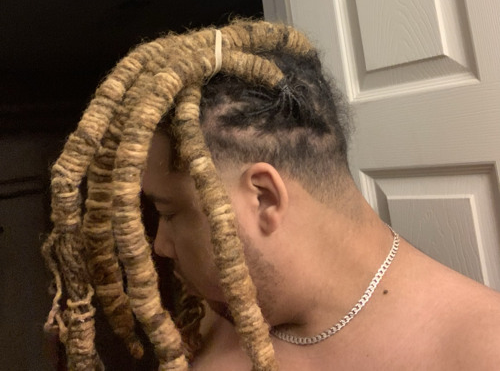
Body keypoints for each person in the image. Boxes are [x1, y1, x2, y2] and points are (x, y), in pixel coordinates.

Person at [43, 21, 500, 371]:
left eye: (169, 212)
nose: (159, 245)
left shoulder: (481, 350)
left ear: (263, 197)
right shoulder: (219, 313)